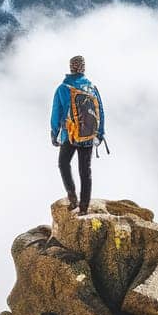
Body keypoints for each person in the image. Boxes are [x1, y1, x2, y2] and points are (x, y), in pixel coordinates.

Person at [50, 54, 105, 214]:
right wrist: (99, 134)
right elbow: (100, 111)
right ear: (83, 68)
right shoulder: (92, 88)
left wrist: (54, 134)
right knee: (85, 171)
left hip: (70, 135)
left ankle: (72, 197)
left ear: (70, 68)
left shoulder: (62, 89)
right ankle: (84, 208)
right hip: (88, 135)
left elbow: (56, 113)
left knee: (63, 163)